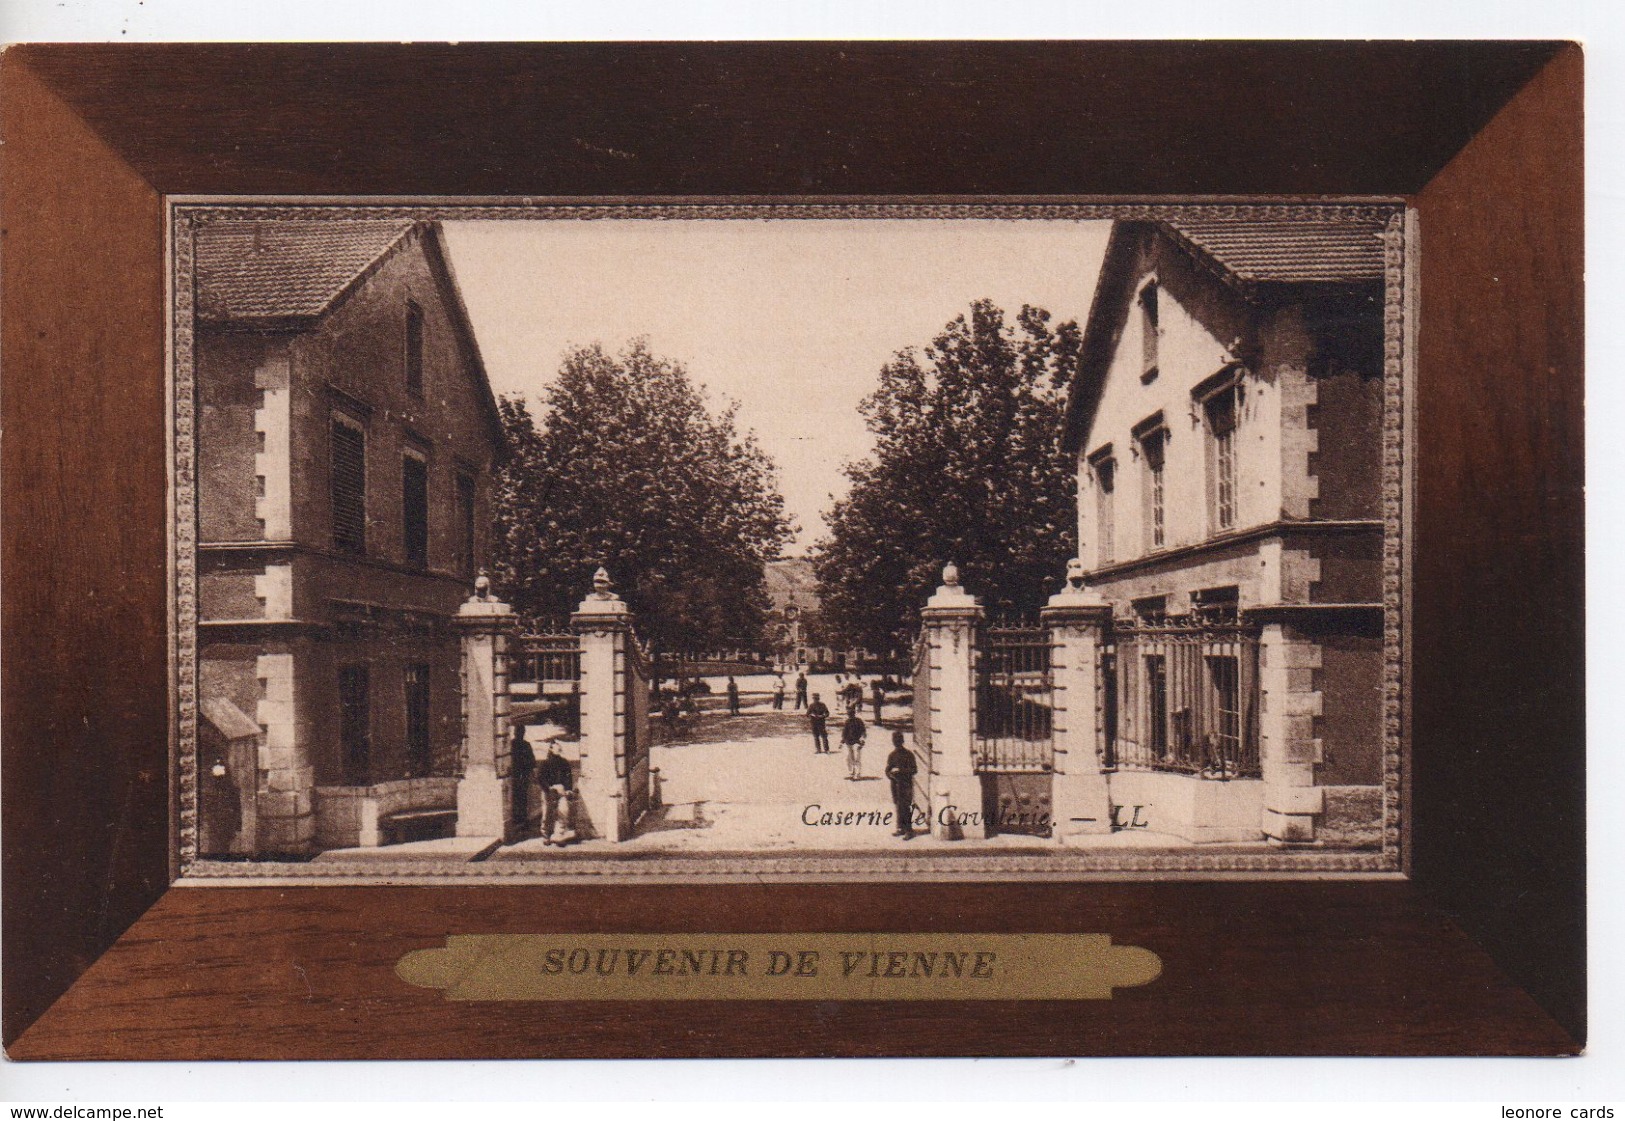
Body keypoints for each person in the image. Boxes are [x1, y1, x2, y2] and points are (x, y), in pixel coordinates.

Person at [538, 740, 576, 845]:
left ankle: (559, 835)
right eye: (556, 747)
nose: (558, 749)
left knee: (563, 811)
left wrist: (568, 789)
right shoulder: (545, 764)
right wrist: (548, 788)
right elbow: (540, 778)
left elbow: (568, 777)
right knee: (547, 814)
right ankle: (546, 836)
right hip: (548, 791)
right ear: (550, 749)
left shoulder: (564, 763)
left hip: (561, 791)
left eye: (559, 747)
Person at [884, 730, 919, 839]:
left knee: (905, 807)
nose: (896, 743)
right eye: (895, 741)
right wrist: (890, 774)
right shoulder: (892, 755)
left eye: (898, 740)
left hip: (906, 785)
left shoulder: (909, 755)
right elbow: (887, 770)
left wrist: (901, 772)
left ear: (902, 741)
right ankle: (901, 828)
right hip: (895, 785)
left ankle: (909, 830)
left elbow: (914, 769)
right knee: (898, 806)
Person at [510, 724, 537, 836]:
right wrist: (532, 773)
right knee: (523, 798)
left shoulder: (512, 744)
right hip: (523, 775)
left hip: (516, 775)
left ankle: (517, 819)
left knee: (517, 797)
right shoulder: (526, 745)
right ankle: (523, 820)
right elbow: (532, 761)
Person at [840, 711, 867, 780]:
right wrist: (842, 742)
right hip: (849, 742)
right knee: (850, 759)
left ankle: (857, 773)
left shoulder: (858, 721)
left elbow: (864, 731)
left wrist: (862, 740)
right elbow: (844, 733)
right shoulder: (847, 722)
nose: (850, 716)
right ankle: (852, 772)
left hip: (857, 742)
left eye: (851, 714)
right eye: (849, 714)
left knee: (857, 759)